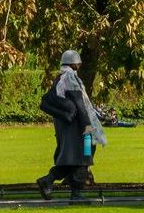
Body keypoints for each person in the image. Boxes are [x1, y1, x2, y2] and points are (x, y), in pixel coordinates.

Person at [37, 49, 107, 200]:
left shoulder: (60, 78)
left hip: (66, 128)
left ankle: (47, 180)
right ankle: (76, 194)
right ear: (75, 64)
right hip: (79, 128)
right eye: (78, 64)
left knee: (70, 160)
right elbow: (81, 105)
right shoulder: (70, 78)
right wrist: (88, 127)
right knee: (84, 159)